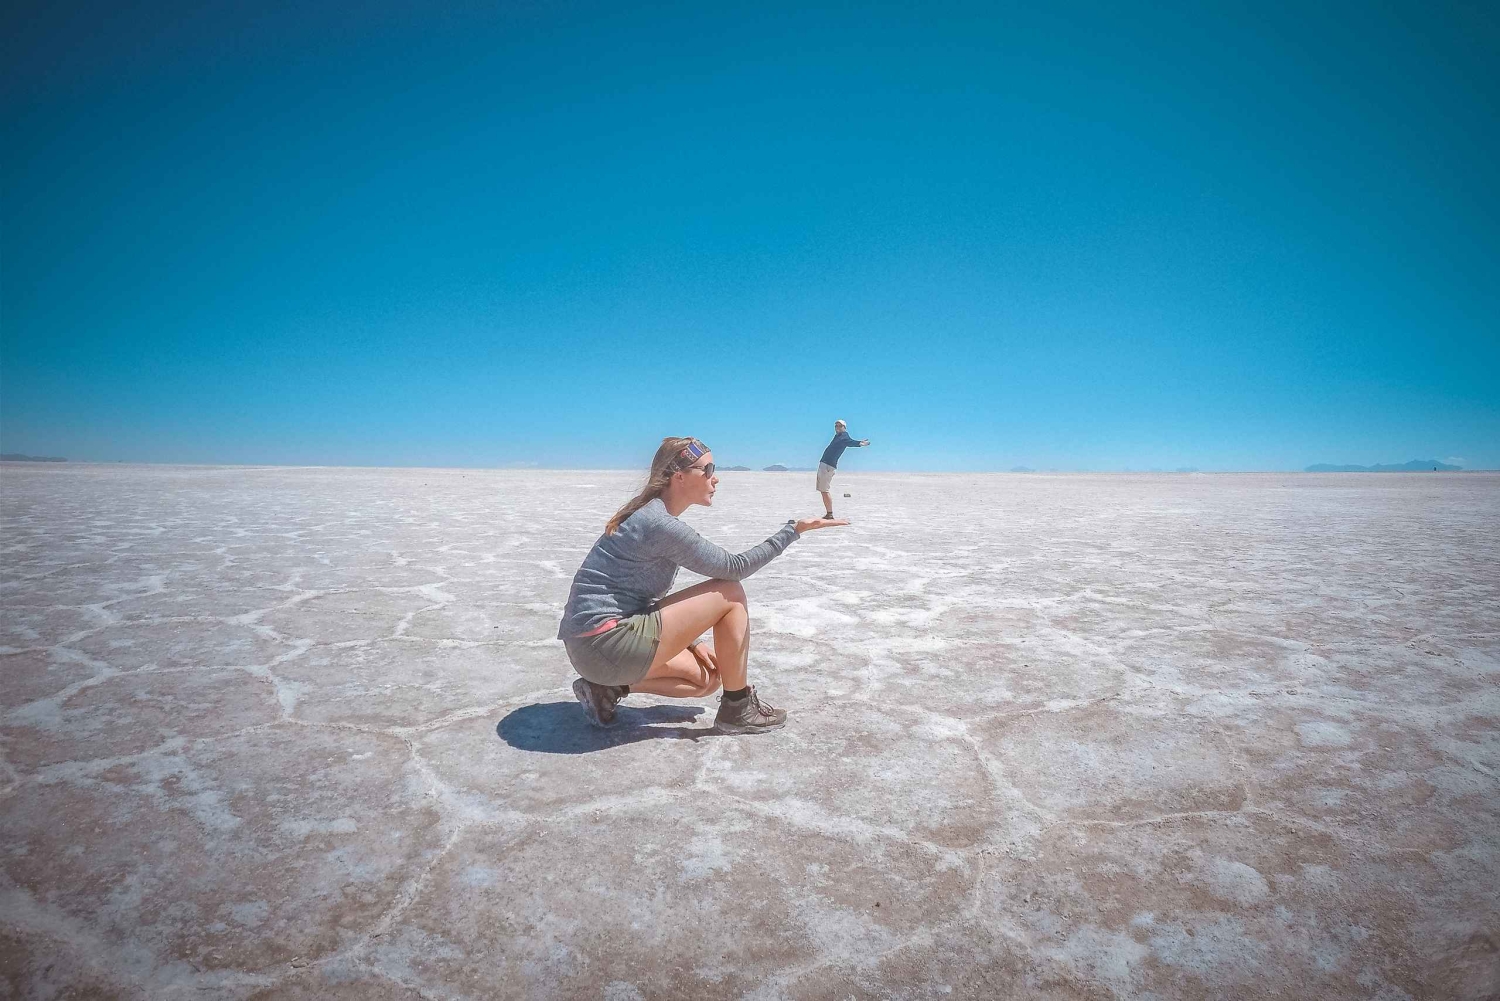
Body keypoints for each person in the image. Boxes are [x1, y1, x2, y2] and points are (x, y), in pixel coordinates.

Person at [558, 437, 848, 733]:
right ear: (679, 476)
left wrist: (691, 641)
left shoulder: (653, 518)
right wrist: (793, 530)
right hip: (604, 641)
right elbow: (734, 568)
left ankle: (605, 689)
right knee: (730, 592)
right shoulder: (658, 524)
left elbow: (639, 598)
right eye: (708, 469)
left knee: (707, 678)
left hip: (593, 648)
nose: (715, 477)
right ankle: (738, 708)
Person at [816, 419, 870, 520]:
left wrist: (860, 443)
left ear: (844, 427)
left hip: (827, 466)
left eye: (840, 426)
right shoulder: (838, 437)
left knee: (824, 490)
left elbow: (850, 442)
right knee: (823, 490)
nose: (837, 427)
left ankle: (830, 514)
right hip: (826, 465)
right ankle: (829, 513)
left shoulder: (844, 437)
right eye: (836, 426)